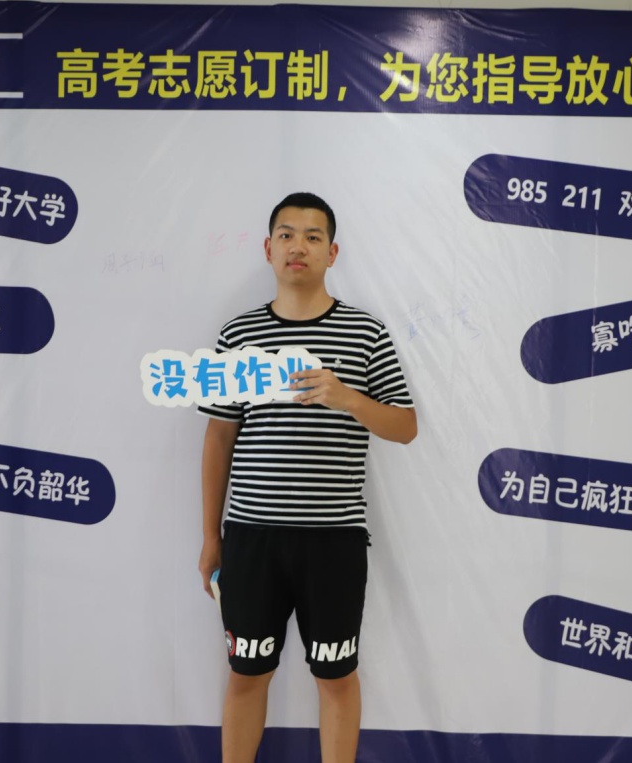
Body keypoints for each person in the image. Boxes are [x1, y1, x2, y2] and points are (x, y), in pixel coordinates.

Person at [197, 192, 417, 763]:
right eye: (287, 235)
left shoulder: (366, 333)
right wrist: (211, 537)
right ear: (268, 249)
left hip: (333, 540)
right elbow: (219, 438)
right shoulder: (238, 336)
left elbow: (405, 426)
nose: (299, 246)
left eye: (314, 236)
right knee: (246, 673)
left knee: (336, 677)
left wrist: (348, 398)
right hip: (252, 538)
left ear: (332, 252)